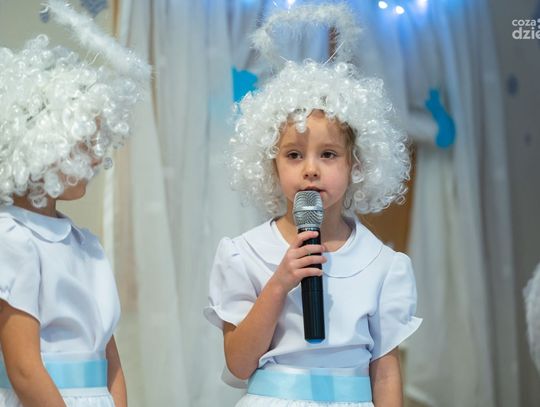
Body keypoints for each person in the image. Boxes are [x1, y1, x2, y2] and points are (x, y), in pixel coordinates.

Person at [204, 4, 422, 406]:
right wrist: (279, 284)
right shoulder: (245, 254)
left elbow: (386, 371)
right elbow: (238, 364)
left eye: (328, 154)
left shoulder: (382, 264)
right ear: (270, 164)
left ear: (355, 163)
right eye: (293, 155)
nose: (310, 169)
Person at [0, 1, 149, 406]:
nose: (97, 158)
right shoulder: (12, 240)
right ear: (37, 144)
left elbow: (109, 355)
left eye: (97, 144)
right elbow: (24, 369)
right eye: (84, 144)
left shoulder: (85, 244)